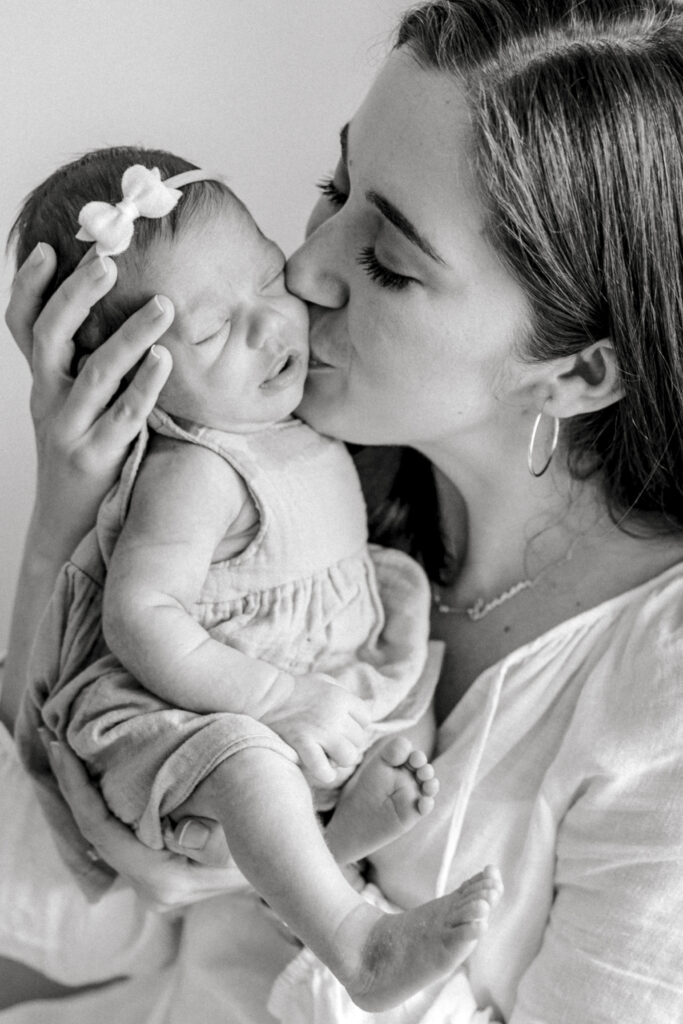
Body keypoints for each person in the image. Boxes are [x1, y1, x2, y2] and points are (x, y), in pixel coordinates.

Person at [1, 0, 683, 1021]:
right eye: (336, 186)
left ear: (576, 370)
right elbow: (61, 907)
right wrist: (67, 511)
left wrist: (301, 881)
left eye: (389, 264)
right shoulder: (291, 492)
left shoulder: (657, 690)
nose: (305, 264)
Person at [11, 145, 501, 1011]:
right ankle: (356, 941)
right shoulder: (196, 469)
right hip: (175, 714)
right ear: (133, 385)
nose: (277, 321)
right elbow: (137, 617)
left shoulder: (305, 421)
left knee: (374, 710)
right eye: (210, 331)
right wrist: (275, 699)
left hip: (282, 689)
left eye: (268, 279)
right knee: (247, 763)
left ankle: (323, 844)